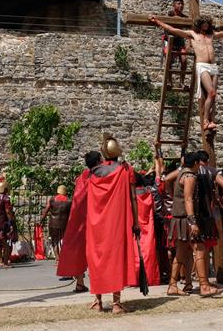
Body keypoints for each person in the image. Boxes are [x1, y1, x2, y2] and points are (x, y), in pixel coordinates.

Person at [149, 15, 223, 130]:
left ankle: (211, 120)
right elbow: (173, 29)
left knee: (213, 95)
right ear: (199, 24)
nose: (206, 25)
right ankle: (205, 120)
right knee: (211, 93)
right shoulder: (192, 34)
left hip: (213, 66)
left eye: (207, 23)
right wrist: (158, 21)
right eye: (204, 23)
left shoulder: (211, 35)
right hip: (202, 66)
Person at [85, 134, 140, 313]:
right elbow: (133, 197)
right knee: (116, 258)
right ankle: (116, 303)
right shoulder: (125, 170)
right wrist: (136, 220)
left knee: (97, 258)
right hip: (116, 222)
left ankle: (98, 301)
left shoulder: (92, 173)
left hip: (96, 223)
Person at [167, 151, 223, 297]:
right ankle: (204, 286)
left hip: (179, 218)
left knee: (180, 252)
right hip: (186, 219)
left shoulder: (180, 172)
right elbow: (188, 199)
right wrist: (193, 222)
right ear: (196, 163)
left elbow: (166, 179)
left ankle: (172, 285)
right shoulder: (190, 176)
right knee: (200, 248)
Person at [57, 150, 102, 293]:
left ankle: (80, 283)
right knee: (97, 249)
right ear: (97, 162)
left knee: (78, 249)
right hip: (93, 217)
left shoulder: (82, 177)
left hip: (79, 218)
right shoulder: (96, 177)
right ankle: (97, 281)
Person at [162, 0, 189, 89]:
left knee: (184, 60)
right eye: (179, 3)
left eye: (182, 4)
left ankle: (181, 82)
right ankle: (169, 81)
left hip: (180, 41)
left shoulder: (184, 18)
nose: (181, 5)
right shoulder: (169, 15)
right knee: (169, 60)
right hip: (169, 40)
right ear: (174, 5)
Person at [41, 185, 72, 260]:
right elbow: (72, 213)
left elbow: (45, 211)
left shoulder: (52, 199)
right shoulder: (69, 201)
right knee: (64, 239)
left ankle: (57, 257)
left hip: (53, 223)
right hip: (64, 223)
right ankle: (64, 256)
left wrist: (42, 220)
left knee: (54, 240)